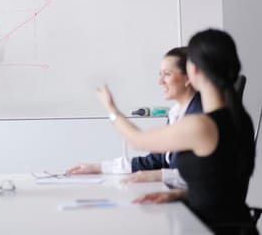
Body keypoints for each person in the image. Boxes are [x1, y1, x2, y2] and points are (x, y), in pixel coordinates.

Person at [97, 29, 257, 234]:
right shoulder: (239, 117)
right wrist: (180, 195)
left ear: (193, 71)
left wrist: (111, 109)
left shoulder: (201, 125)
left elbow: (137, 140)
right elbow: (220, 185)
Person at [67, 47, 202, 188]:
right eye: (160, 74)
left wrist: (111, 109)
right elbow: (153, 161)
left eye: (167, 74)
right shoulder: (176, 113)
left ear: (188, 78)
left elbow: (204, 174)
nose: (160, 81)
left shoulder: (199, 114)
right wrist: (98, 167)